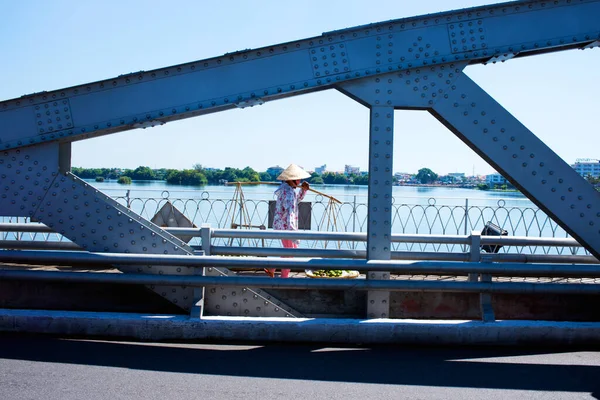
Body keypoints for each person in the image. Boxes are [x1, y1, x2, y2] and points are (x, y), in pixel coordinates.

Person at [265, 164, 310, 278]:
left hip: (282, 226)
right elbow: (290, 212)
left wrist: (303, 191)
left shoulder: (286, 189)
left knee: (288, 252)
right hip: (286, 227)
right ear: (292, 180)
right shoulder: (289, 192)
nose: (300, 181)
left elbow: (296, 201)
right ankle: (284, 278)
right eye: (298, 179)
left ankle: (272, 268)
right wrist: (292, 231)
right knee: (290, 254)